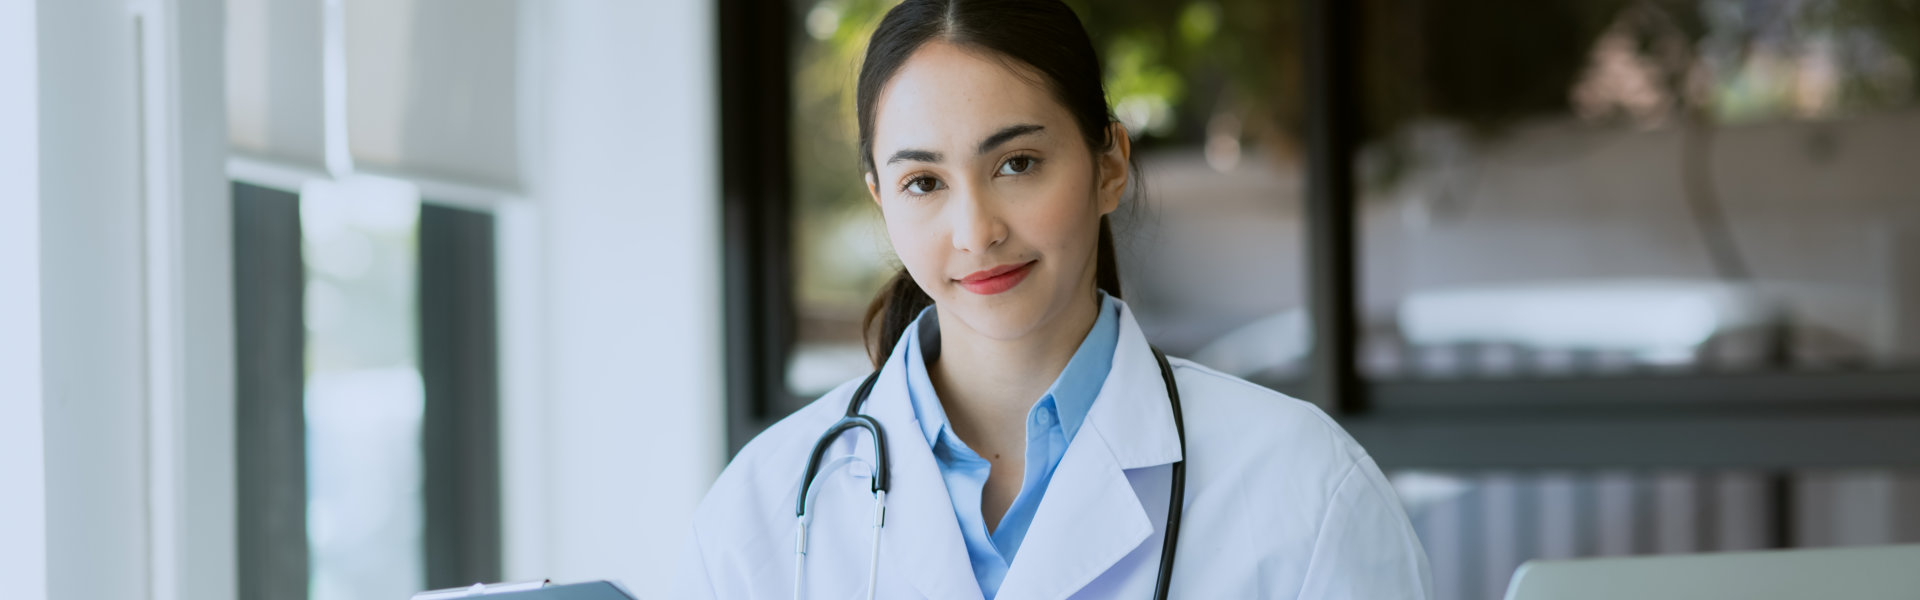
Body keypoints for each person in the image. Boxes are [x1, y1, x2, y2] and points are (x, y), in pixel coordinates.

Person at [677, 1, 1432, 597]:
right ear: (881, 202)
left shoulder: (1304, 488)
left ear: (1110, 165)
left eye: (1018, 163)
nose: (975, 231)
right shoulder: (767, 506)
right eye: (923, 183)